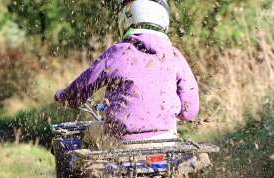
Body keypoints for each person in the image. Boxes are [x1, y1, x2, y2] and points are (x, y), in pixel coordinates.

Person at [55, 0, 199, 146]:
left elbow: (85, 84)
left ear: (125, 20)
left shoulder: (118, 52)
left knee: (90, 133)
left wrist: (66, 97)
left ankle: (88, 168)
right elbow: (190, 111)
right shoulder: (174, 55)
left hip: (121, 141)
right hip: (166, 141)